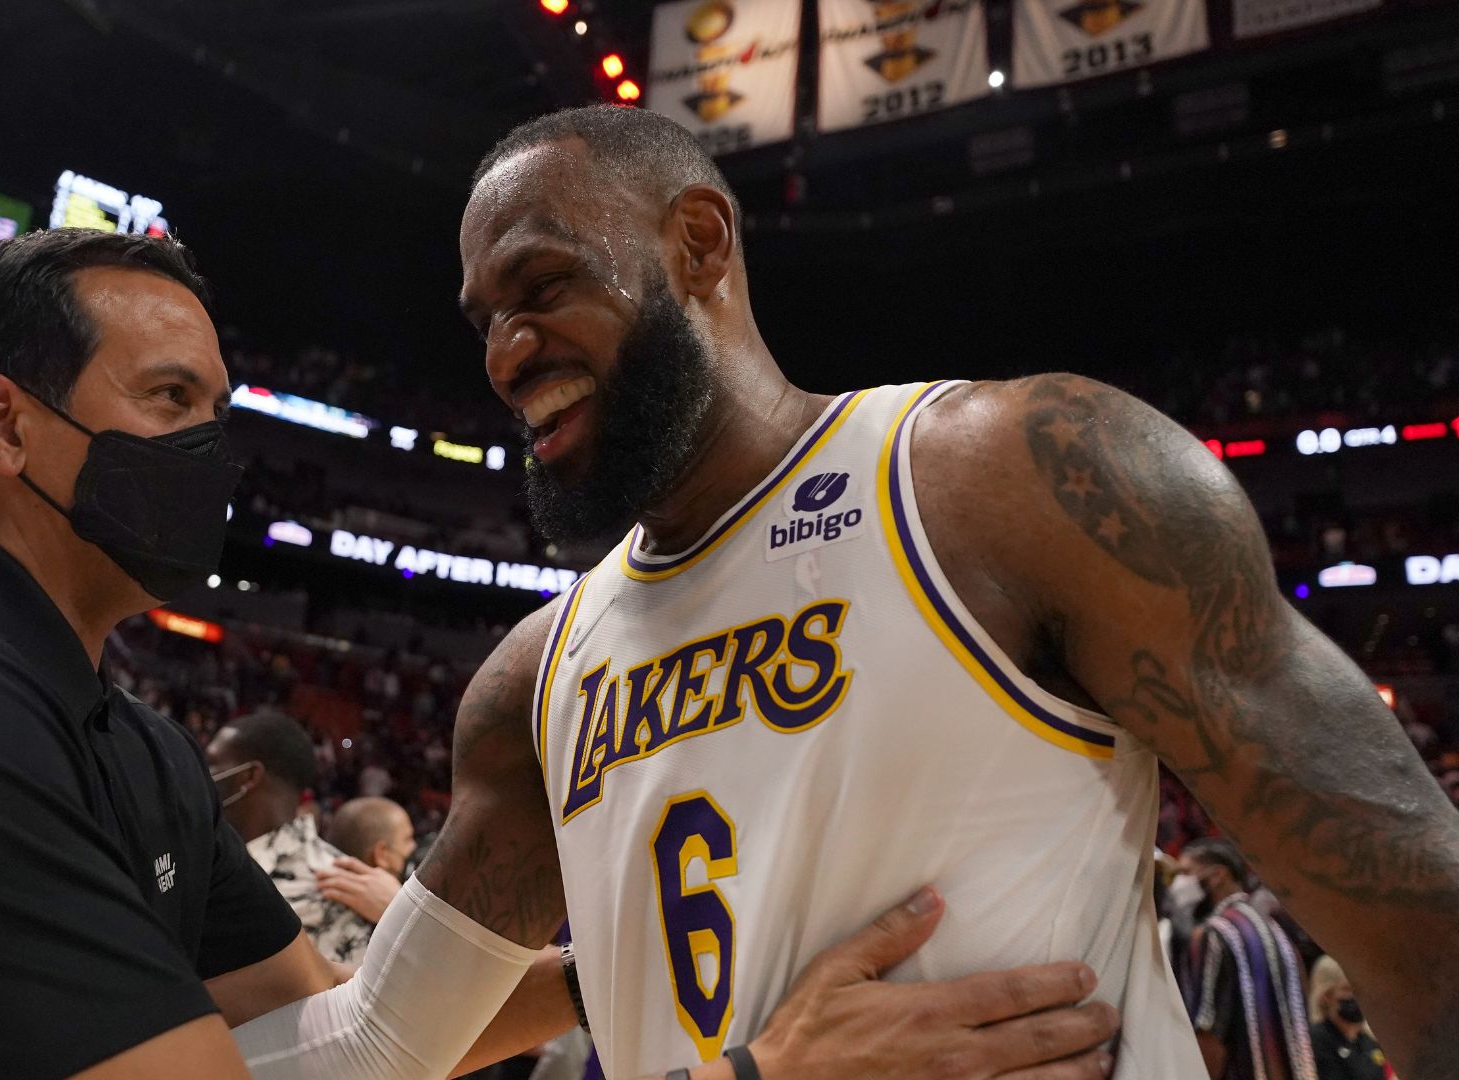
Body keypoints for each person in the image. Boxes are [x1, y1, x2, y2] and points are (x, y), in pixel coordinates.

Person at [0, 228, 1122, 1080]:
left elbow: (359, 1043)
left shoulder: (129, 741)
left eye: (218, 405)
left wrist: (672, 963)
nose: (212, 448)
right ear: (3, 426)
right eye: (169, 397)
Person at [405, 104, 1459, 1079]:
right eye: (481, 320)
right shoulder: (530, 682)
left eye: (542, 288)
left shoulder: (1007, 480)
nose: (503, 354)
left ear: (699, 244)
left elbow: (1424, 924)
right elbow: (379, 1045)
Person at [205, 712, 374, 965]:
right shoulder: (203, 856)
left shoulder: (336, 885)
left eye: (211, 763)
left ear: (248, 777)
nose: (199, 774)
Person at [1178, 839, 1313, 1079]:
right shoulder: (1276, 930)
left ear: (1218, 875)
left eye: (1186, 872)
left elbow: (1208, 1033)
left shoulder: (1214, 933)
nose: (1178, 883)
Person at [318, 796, 415, 925]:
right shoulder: (358, 931)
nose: (414, 846)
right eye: (408, 839)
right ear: (382, 855)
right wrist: (400, 910)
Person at [1309, 956, 1387, 1080]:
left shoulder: (1368, 1040)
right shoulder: (1316, 1040)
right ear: (1327, 996)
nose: (1357, 996)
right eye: (1348, 989)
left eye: (1360, 988)